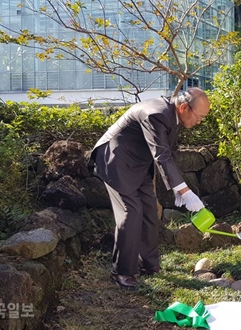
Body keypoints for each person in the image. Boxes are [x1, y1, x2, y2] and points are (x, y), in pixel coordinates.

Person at [89, 87, 209, 288]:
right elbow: (161, 155)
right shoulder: (157, 114)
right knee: (131, 212)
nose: (200, 121)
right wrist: (184, 191)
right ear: (183, 107)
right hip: (115, 160)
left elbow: (169, 152)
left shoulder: (174, 115)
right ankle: (122, 271)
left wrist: (178, 187)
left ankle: (149, 265)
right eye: (199, 116)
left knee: (149, 212)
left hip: (138, 165)